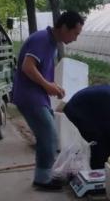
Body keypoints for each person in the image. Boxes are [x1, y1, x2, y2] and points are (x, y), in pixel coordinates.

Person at [13, 11, 84, 191]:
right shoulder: (42, 40)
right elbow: (27, 67)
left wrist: (53, 86)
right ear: (64, 27)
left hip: (36, 96)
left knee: (48, 135)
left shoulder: (50, 42)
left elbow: (39, 69)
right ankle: (43, 179)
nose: (75, 38)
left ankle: (43, 175)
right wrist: (48, 86)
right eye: (75, 33)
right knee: (49, 135)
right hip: (29, 96)